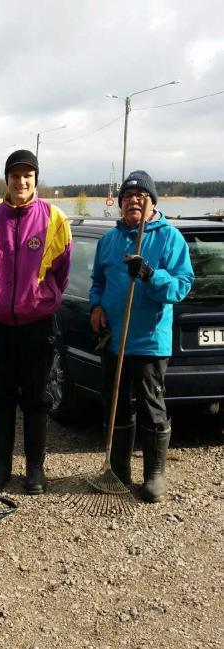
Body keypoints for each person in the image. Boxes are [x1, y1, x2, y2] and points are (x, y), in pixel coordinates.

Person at [89, 170, 194, 503]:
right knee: (116, 405)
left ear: (152, 203)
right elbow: (98, 282)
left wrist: (150, 274)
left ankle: (154, 476)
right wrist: (96, 306)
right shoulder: (109, 240)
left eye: (141, 196)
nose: (133, 200)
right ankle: (119, 470)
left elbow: (180, 286)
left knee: (151, 408)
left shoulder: (169, 238)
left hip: (149, 341)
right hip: (114, 338)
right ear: (120, 204)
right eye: (128, 196)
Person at [0, 150, 72, 494]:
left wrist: (39, 300)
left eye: (27, 175)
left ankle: (35, 468)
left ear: (35, 179)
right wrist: (0, 302)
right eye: (15, 176)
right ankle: (0, 466)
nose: (21, 181)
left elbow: (61, 273)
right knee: (0, 398)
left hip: (37, 324)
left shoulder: (55, 218)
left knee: (36, 398)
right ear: (7, 180)